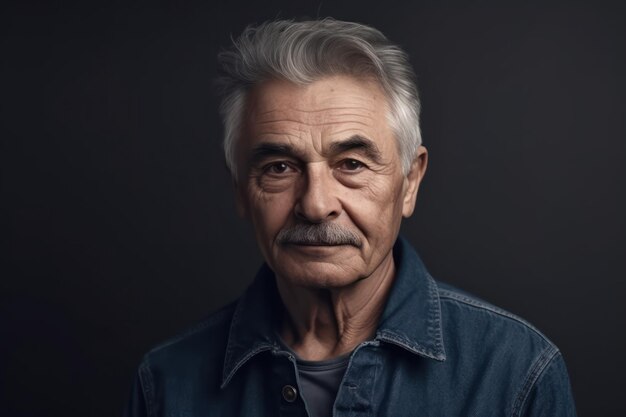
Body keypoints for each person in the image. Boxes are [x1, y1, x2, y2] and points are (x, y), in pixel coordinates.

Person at [125, 18, 577, 417]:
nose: (316, 204)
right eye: (279, 168)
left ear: (410, 181)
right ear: (241, 190)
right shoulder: (167, 382)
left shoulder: (517, 373)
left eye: (352, 165)